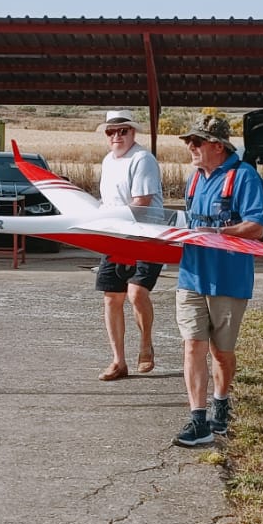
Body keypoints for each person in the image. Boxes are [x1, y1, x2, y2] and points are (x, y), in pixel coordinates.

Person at [171, 114, 263, 448]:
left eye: (196, 142)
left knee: (221, 353)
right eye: (188, 142)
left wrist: (217, 232)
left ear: (217, 146)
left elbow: (256, 227)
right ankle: (199, 420)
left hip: (228, 279)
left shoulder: (244, 176)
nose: (190, 147)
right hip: (191, 276)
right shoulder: (193, 179)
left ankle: (221, 402)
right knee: (192, 345)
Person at [92, 110, 167, 381]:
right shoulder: (107, 161)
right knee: (111, 297)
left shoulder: (142, 159)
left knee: (136, 292)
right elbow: (107, 202)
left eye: (122, 131)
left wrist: (108, 218)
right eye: (111, 132)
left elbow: (141, 203)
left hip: (146, 235)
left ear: (132, 132)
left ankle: (146, 344)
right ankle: (118, 361)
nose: (116, 136)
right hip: (117, 235)